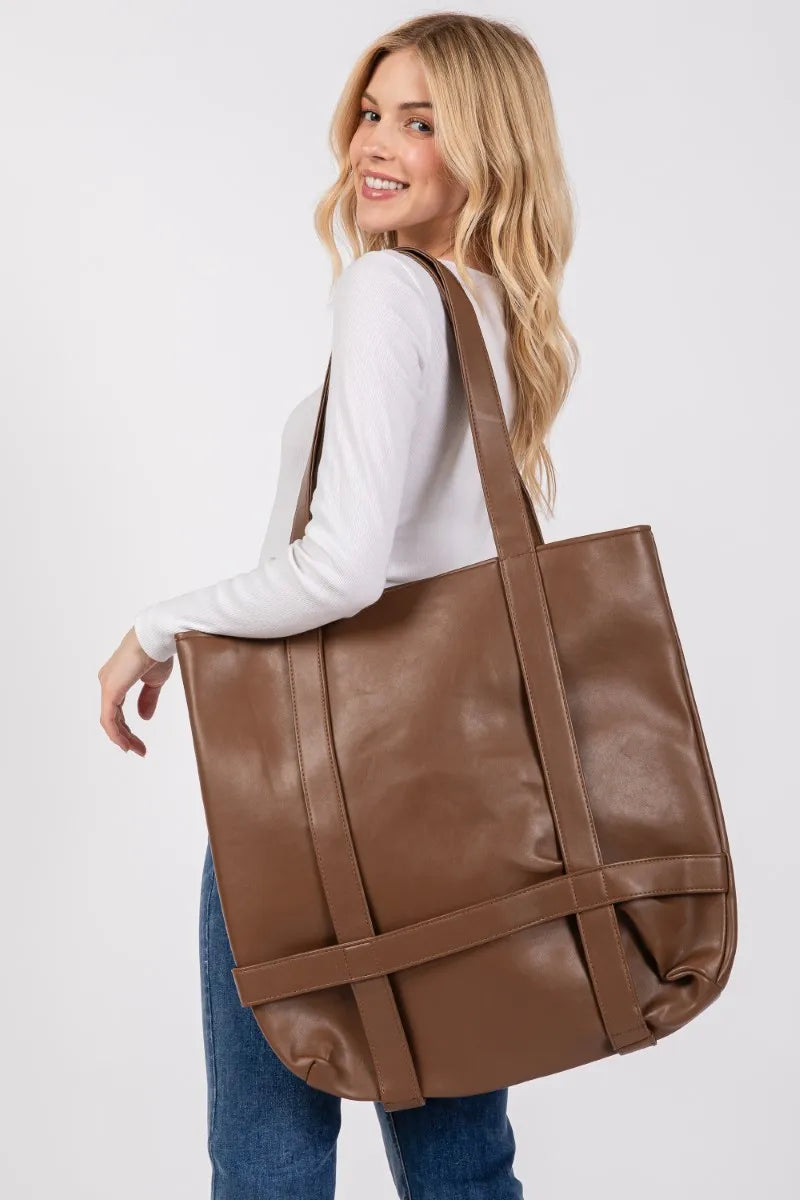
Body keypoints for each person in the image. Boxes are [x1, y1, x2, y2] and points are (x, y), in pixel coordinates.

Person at [98, 12, 578, 1198]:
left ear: (487, 147)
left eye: (421, 122)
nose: (376, 143)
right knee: (461, 1160)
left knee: (268, 1160)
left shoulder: (390, 291)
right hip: (459, 802)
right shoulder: (498, 311)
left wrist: (156, 626)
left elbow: (342, 569)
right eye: (372, 111)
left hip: (315, 808)